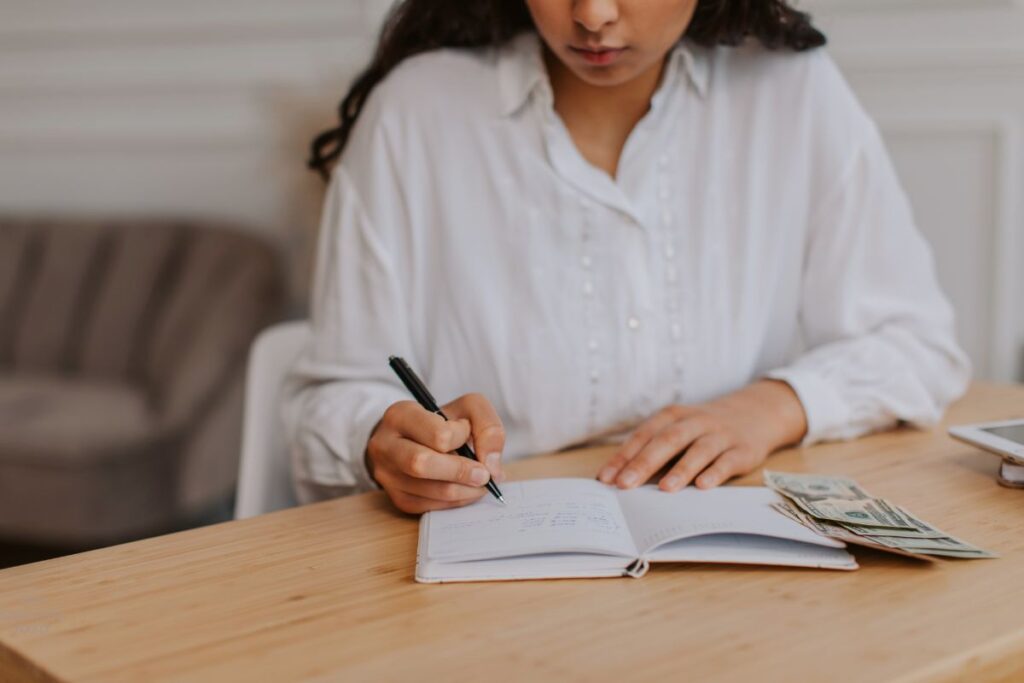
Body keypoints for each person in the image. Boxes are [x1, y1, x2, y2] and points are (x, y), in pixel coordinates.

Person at [284, 0, 970, 514]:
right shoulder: (417, 112)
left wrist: (774, 406)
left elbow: (917, 343)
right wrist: (381, 439)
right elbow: (330, 398)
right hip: (491, 564)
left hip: (729, 560)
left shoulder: (792, 92)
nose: (593, 15)